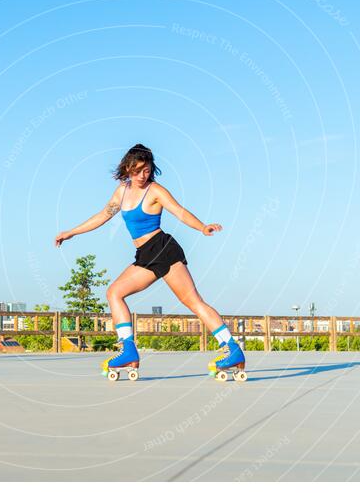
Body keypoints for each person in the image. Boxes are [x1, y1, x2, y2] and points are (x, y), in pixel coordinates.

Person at [54, 144, 246, 380]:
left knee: (193, 302)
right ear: (128, 168)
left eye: (147, 170)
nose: (143, 175)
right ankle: (128, 350)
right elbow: (102, 216)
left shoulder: (156, 191)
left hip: (162, 250)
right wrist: (71, 232)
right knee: (114, 293)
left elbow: (180, 211)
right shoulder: (121, 192)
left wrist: (202, 227)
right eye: (138, 170)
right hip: (145, 254)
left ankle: (232, 349)